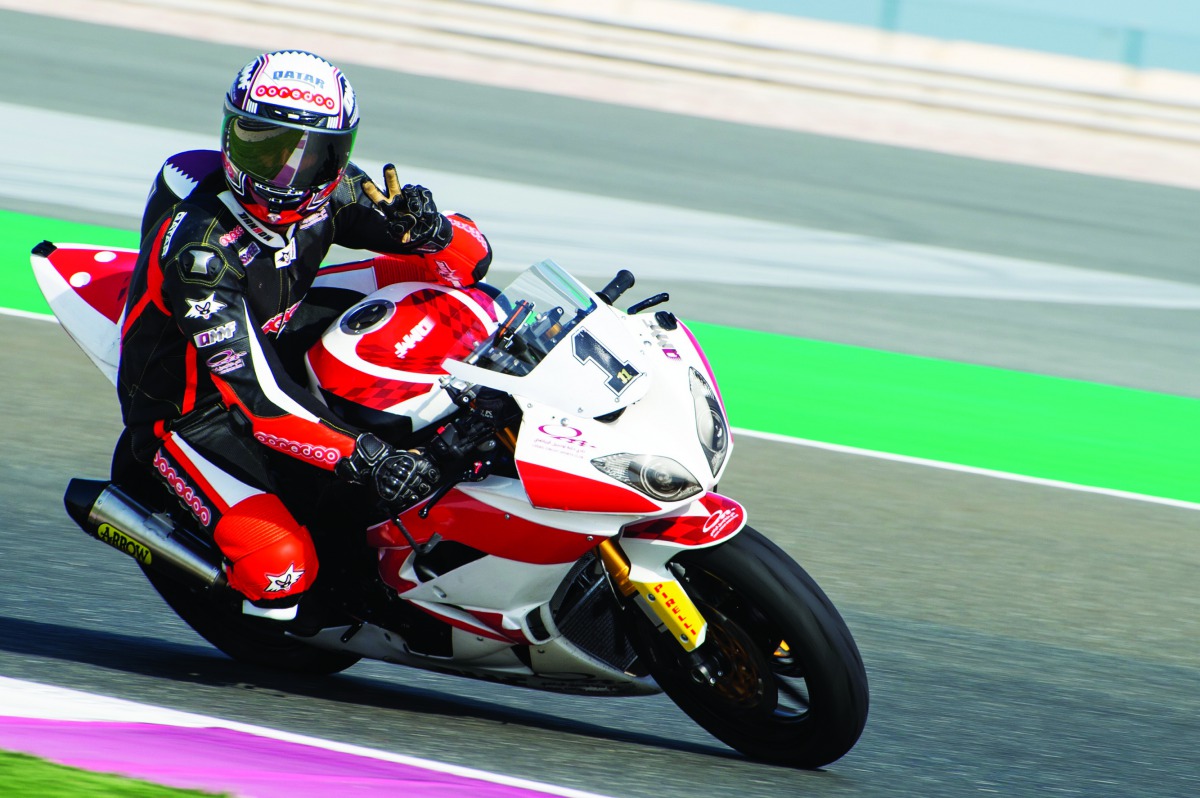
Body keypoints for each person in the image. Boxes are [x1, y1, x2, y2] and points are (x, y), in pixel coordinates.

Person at [115, 50, 492, 621]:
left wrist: (435, 230)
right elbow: (258, 400)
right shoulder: (202, 256)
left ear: (337, 155)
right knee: (283, 573)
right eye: (261, 146)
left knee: (436, 277)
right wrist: (367, 456)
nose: (282, 172)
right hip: (194, 407)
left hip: (278, 325)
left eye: (306, 153)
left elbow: (473, 260)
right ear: (230, 134)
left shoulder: (335, 192)